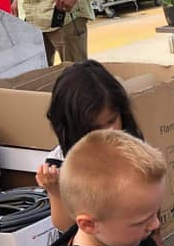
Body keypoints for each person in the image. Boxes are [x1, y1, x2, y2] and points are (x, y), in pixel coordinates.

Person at [40, 130, 165, 246]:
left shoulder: (117, 233)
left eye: (154, 213)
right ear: (89, 224)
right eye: (142, 221)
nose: (155, 224)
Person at [36, 60, 143, 233]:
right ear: (71, 128)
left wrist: (155, 233)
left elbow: (149, 195)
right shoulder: (60, 166)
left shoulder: (130, 145)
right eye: (94, 128)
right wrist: (55, 191)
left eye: (111, 120)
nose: (108, 132)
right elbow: (66, 227)